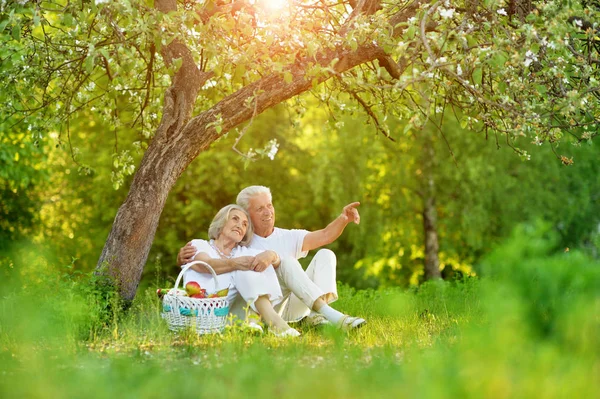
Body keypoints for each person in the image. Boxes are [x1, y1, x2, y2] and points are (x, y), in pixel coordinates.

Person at [178, 186, 366, 330]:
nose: (268, 212)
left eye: (269, 205)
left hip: (290, 303)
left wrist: (343, 219)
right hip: (261, 307)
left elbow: (325, 235)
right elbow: (212, 255)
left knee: (326, 254)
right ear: (247, 214)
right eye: (260, 208)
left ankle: (319, 313)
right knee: (286, 261)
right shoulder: (240, 243)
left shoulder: (288, 236)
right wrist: (182, 258)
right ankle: (326, 317)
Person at [184, 204, 300, 337]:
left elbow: (276, 262)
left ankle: (262, 322)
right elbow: (205, 265)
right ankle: (271, 323)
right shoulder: (199, 244)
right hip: (198, 312)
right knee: (244, 266)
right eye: (235, 219)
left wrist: (271, 254)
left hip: (228, 317)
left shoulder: (242, 252)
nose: (240, 225)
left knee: (256, 264)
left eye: (245, 224)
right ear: (221, 222)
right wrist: (235, 264)